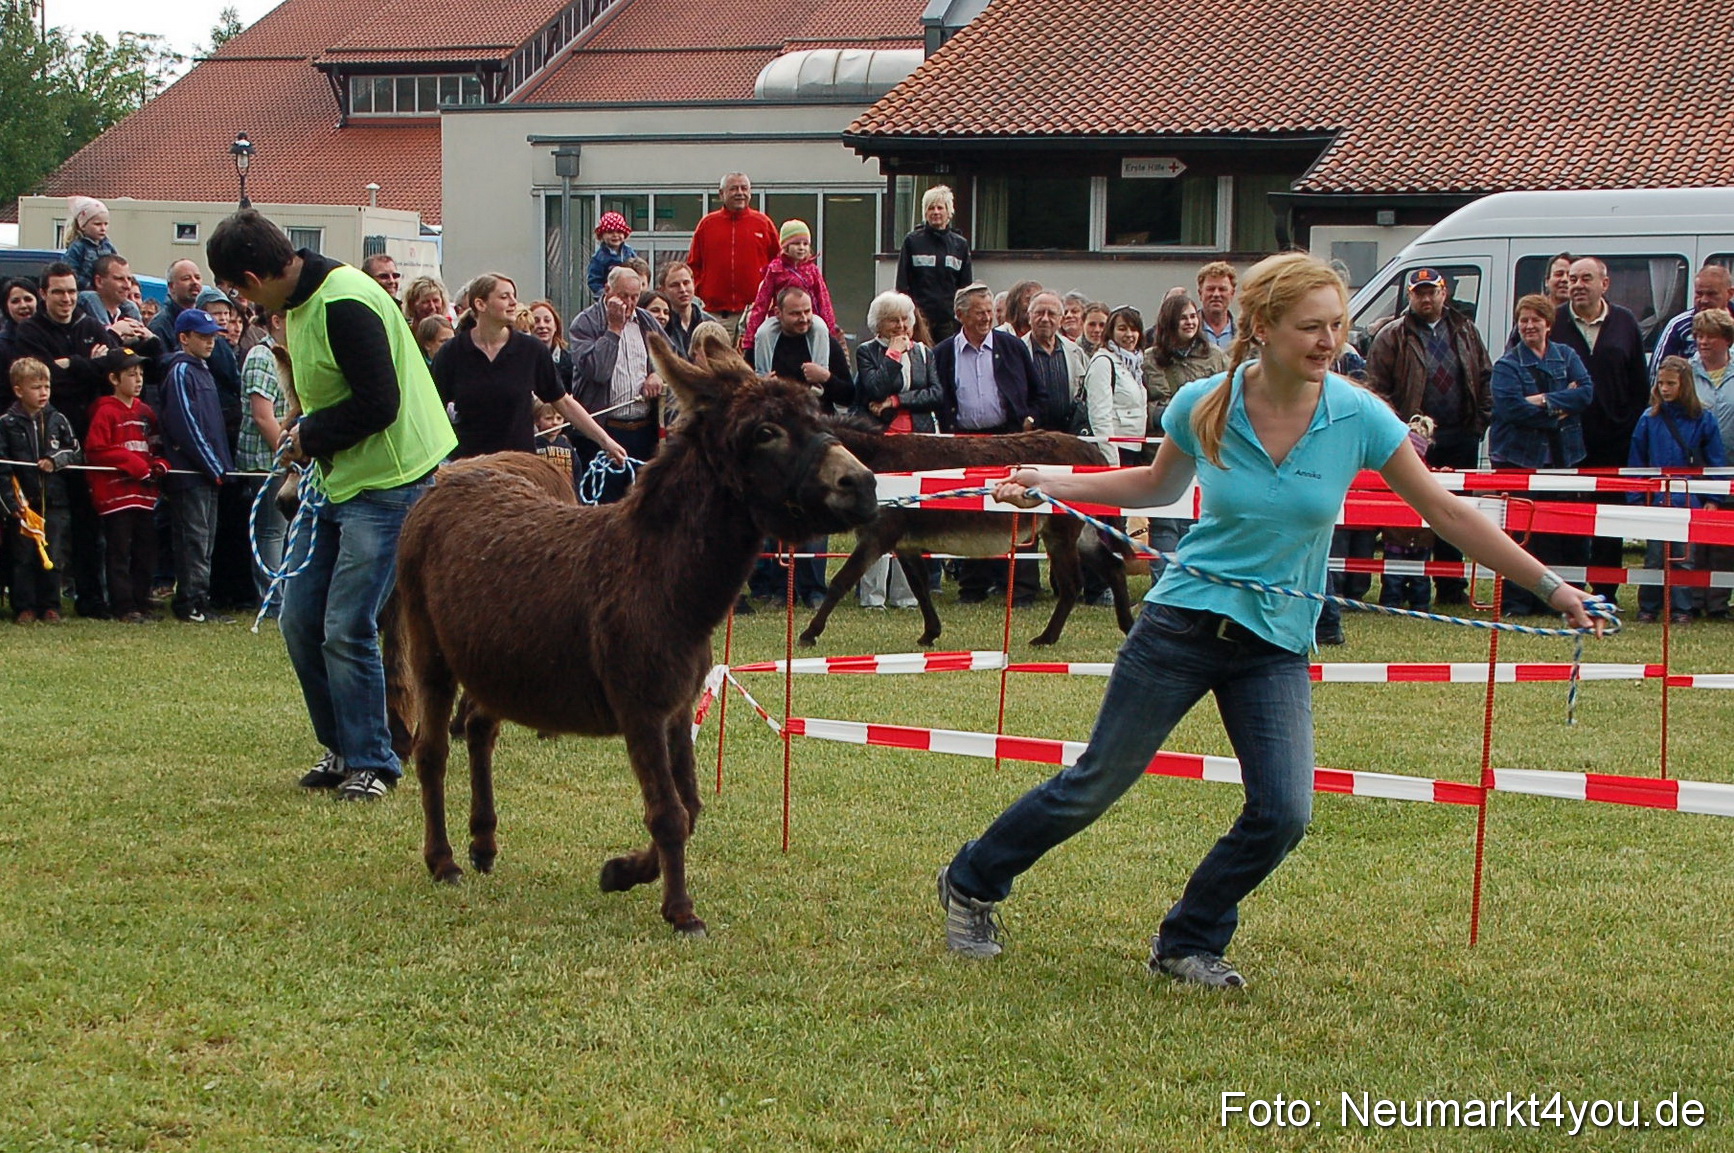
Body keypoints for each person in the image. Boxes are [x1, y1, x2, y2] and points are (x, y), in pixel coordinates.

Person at [935, 253, 1604, 987]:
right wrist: (1050, 481)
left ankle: (1189, 940)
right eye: (1311, 326)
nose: (1329, 340)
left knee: (1284, 811)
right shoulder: (1205, 403)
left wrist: (1551, 587)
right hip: (1181, 625)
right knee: (1094, 784)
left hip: (1275, 642)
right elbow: (1155, 484)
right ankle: (971, 880)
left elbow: (1447, 512)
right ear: (1262, 327)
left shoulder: (1358, 416)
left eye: (1337, 325)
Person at [208, 208, 459, 800]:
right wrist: (307, 431)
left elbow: (380, 404)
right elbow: (328, 393)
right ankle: (342, 747)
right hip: (338, 479)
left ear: (252, 277)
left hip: (390, 481)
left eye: (238, 290)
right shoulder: (298, 304)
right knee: (299, 620)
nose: (242, 302)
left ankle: (373, 760)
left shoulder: (345, 301)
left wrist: (307, 437)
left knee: (347, 625)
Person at [1364, 267, 1493, 605]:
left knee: (1456, 514)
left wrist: (1479, 424)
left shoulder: (1466, 330)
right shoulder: (1391, 336)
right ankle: (1399, 589)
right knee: (1406, 515)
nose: (1426, 298)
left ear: (1443, 293)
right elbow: (1376, 391)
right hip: (1413, 441)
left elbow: (1485, 377)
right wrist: (1397, 434)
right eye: (1418, 293)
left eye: (1431, 291)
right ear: (1410, 296)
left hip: (1460, 436)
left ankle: (1451, 587)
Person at [934, 282, 1046, 604]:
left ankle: (1022, 588)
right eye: (979, 313)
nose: (986, 318)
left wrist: (1030, 420)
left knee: (1018, 509)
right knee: (972, 513)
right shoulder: (943, 353)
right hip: (964, 444)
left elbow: (1039, 395)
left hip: (1009, 441)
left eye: (989, 312)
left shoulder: (1012, 347)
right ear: (960, 316)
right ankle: (973, 587)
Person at [436, 273, 623, 462]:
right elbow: (432, 410)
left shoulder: (531, 350)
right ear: (480, 304)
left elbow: (563, 402)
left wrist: (605, 441)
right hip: (469, 466)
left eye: (514, 296)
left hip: (520, 465)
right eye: (504, 297)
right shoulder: (451, 353)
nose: (513, 303)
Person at [13, 261, 112, 617]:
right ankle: (35, 602)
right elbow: (44, 382)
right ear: (44, 294)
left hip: (87, 441)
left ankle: (90, 598)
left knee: (89, 525)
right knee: (40, 524)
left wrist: (73, 364)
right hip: (42, 445)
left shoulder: (91, 325)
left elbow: (111, 371)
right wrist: (89, 366)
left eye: (71, 291)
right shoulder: (29, 332)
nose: (67, 299)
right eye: (58, 292)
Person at [1550, 256, 1649, 602]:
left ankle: (1606, 591)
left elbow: (1639, 385)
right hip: (1563, 442)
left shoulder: (1625, 322)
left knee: (1609, 519)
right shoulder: (1554, 322)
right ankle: (1569, 590)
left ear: (1604, 284)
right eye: (1573, 278)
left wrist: (1627, 426)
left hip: (1613, 443)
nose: (1577, 285)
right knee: (1565, 517)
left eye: (1586, 278)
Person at [1489, 294, 1595, 615]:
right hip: (1517, 459)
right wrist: (1560, 408)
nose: (1529, 326)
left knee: (1559, 531)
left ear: (1548, 324)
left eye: (1536, 319)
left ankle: (1558, 599)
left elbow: (1586, 393)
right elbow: (1511, 409)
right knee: (1520, 535)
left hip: (1564, 458)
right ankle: (1517, 602)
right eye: (1523, 320)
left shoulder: (1567, 355)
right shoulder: (1506, 365)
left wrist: (1542, 400)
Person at [855, 290, 944, 608]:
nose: (902, 326)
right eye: (893, 320)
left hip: (917, 444)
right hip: (882, 446)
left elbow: (935, 394)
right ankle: (872, 596)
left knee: (911, 520)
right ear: (879, 324)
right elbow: (874, 387)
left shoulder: (924, 353)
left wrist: (896, 401)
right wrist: (893, 354)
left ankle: (906, 595)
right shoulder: (867, 352)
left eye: (906, 319)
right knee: (877, 519)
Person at [1628, 356, 1725, 623]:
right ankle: (1649, 606)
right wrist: (1636, 499)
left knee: (1684, 558)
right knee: (1654, 557)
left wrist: (1713, 498)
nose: (1665, 389)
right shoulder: (1649, 419)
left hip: (1689, 499)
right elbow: (1636, 463)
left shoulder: (1704, 419)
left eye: (1671, 383)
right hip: (1657, 498)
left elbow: (1716, 462)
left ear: (1685, 385)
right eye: (1661, 383)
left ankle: (1682, 609)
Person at [82, 347, 170, 622]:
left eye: (140, 373)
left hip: (143, 495)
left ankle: (142, 599)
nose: (138, 379)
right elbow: (96, 449)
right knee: (119, 550)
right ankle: (123, 604)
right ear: (114, 378)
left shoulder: (145, 412)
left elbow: (155, 446)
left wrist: (159, 464)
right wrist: (133, 464)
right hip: (116, 495)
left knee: (145, 550)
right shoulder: (105, 411)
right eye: (131, 374)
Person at [158, 308, 234, 624]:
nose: (210, 342)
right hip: (191, 473)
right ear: (184, 338)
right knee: (193, 538)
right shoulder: (180, 371)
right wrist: (212, 465)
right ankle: (190, 600)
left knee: (206, 539)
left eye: (212, 336)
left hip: (209, 473)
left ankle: (200, 597)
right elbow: (185, 424)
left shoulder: (203, 370)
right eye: (202, 336)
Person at [568, 265, 661, 501]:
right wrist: (614, 329)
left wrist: (657, 374)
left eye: (635, 297)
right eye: (623, 296)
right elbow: (597, 371)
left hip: (643, 429)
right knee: (604, 504)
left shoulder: (647, 321)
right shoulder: (585, 323)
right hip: (603, 429)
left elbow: (672, 356)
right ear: (607, 290)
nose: (629, 303)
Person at [0, 357, 80, 621]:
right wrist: (11, 504)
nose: (43, 392)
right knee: (23, 555)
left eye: (46, 386)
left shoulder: (58, 419)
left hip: (54, 501)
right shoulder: (7, 423)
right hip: (23, 504)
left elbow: (74, 450)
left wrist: (54, 460)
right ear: (19, 390)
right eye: (36, 387)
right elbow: (2, 467)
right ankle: (24, 606)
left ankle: (51, 605)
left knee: (53, 553)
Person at [236, 311, 292, 605]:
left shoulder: (291, 355)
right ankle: (272, 600)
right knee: (272, 531)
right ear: (276, 321)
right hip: (266, 460)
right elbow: (262, 416)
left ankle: (284, 597)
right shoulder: (262, 355)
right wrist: (288, 458)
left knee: (285, 531)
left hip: (285, 457)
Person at [686, 173, 779, 340]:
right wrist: (705, 291)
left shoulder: (763, 224)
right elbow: (694, 265)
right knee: (716, 356)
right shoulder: (707, 225)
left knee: (751, 357)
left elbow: (777, 265)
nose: (740, 193)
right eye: (734, 189)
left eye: (744, 188)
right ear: (721, 193)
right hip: (717, 316)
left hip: (755, 314)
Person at [1690, 308, 1734, 619]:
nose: (1703, 342)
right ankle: (1691, 600)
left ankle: (1718, 602)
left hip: (1730, 466)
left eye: (1711, 336)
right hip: (1692, 468)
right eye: (1699, 336)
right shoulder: (1686, 371)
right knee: (1694, 536)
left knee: (1725, 541)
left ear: (1727, 340)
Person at [896, 184, 973, 343]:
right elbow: (902, 284)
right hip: (919, 320)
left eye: (940, 207)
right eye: (931, 208)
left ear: (949, 211)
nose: (936, 212)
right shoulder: (912, 242)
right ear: (925, 212)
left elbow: (965, 289)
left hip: (949, 322)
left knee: (946, 358)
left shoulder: (960, 245)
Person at [743, 220, 839, 346]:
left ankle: (822, 358)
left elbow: (823, 299)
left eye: (805, 244)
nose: (801, 247)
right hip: (781, 317)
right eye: (796, 243)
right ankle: (761, 359)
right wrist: (750, 337)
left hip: (808, 317)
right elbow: (762, 301)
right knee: (763, 333)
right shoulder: (775, 269)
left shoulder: (812, 270)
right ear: (785, 246)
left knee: (820, 329)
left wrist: (830, 328)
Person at [1379, 416, 1437, 611]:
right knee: (1409, 573)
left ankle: (1399, 603)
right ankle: (1412, 604)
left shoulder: (1394, 470)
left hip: (1410, 533)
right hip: (1405, 532)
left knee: (1405, 573)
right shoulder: (1429, 474)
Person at [1081, 306, 1148, 467]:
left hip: (1133, 447)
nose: (1129, 335)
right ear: (1111, 331)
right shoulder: (1103, 362)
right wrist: (1111, 460)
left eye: (1134, 329)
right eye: (1122, 329)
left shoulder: (1135, 365)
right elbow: (1100, 416)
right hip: (1115, 450)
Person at [1023, 291, 1088, 433]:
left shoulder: (1075, 352)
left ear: (1061, 320)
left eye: (1051, 314)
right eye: (1039, 313)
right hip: (1030, 434)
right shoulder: (1018, 350)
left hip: (1068, 434)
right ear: (1029, 317)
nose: (1045, 319)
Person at [1652, 263, 1733, 371]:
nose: (1704, 300)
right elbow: (1658, 371)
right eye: (1699, 294)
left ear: (1730, 293)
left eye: (1711, 294)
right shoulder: (1679, 326)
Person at [656, 261, 715, 357]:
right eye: (675, 285)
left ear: (693, 284)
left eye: (686, 283)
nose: (683, 289)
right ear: (662, 290)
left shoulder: (710, 324)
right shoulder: (660, 325)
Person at [62, 197, 117, 291]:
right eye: (97, 224)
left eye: (106, 224)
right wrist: (88, 285)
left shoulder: (108, 246)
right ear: (83, 226)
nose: (103, 228)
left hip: (106, 290)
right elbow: (70, 272)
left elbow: (118, 266)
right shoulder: (77, 247)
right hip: (86, 290)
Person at [148, 260, 205, 350]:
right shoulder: (160, 326)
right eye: (186, 278)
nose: (194, 282)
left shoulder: (206, 319)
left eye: (197, 277)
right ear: (171, 286)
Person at [586, 211, 639, 301]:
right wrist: (605, 295)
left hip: (629, 293)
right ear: (601, 236)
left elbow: (638, 270)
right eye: (610, 232)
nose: (615, 235)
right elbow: (594, 280)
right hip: (610, 296)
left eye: (619, 232)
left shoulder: (629, 252)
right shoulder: (599, 258)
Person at [526, 299, 574, 393]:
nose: (542, 325)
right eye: (536, 321)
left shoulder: (571, 362)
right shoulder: (521, 360)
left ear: (556, 326)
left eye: (547, 320)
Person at [1196, 261, 1238, 349]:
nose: (1216, 294)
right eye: (1210, 289)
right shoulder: (1186, 332)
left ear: (1232, 294)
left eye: (1222, 289)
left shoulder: (1245, 335)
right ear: (1200, 293)